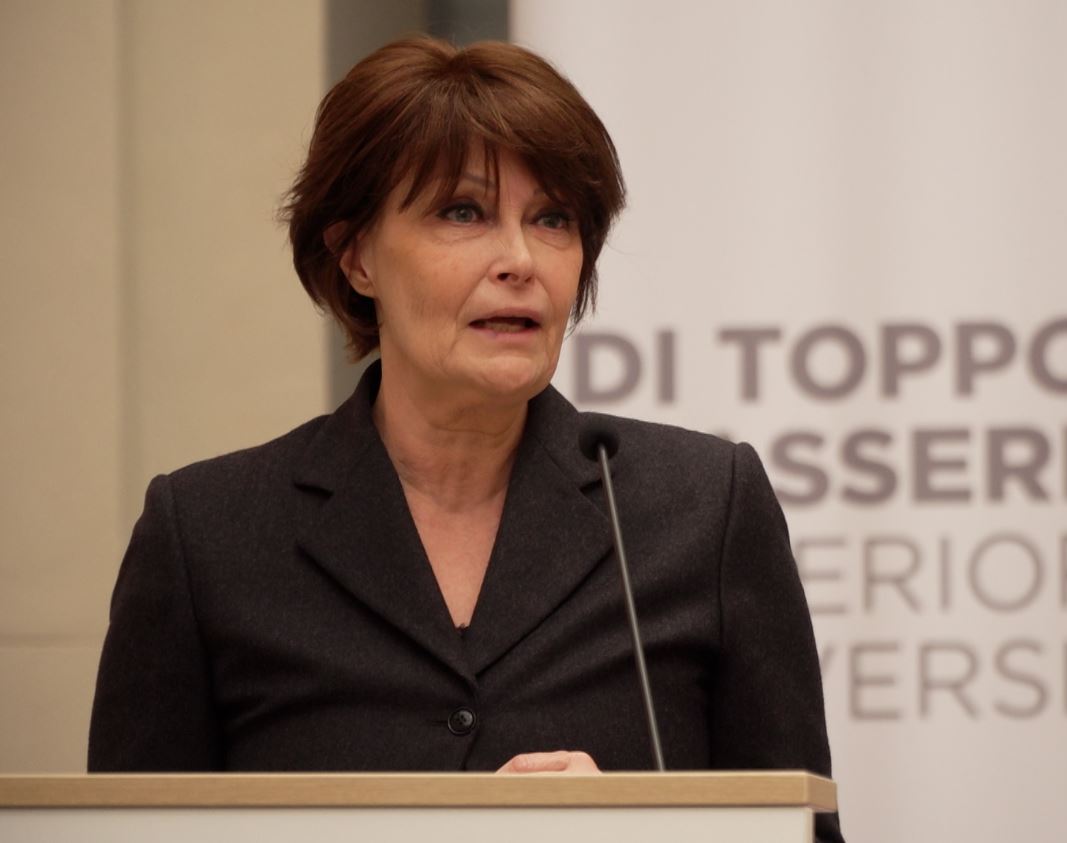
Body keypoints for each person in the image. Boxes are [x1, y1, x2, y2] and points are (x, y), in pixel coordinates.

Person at [87, 36, 844, 842]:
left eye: (552, 218)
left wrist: (642, 831)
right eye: (462, 212)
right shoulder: (208, 537)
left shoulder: (702, 509)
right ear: (356, 255)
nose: (520, 259)